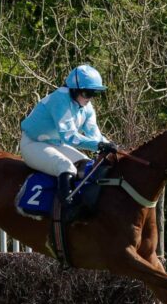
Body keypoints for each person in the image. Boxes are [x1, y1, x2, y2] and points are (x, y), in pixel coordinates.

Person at [20, 64, 118, 218]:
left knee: (86, 165)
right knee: (65, 166)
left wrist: (112, 147)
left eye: (94, 94)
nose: (90, 98)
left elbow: (95, 135)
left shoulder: (86, 106)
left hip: (56, 145)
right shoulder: (60, 99)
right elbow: (69, 136)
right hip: (32, 144)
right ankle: (66, 208)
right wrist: (99, 145)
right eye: (87, 93)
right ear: (73, 90)